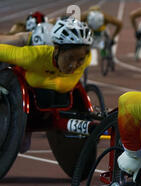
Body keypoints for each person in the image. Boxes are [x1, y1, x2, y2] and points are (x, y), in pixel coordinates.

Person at [0, 17, 93, 152]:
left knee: (23, 147)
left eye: (80, 59)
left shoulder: (86, 58)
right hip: (28, 40)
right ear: (56, 50)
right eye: (69, 59)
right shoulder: (32, 56)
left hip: (48, 41)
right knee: (22, 147)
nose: (74, 65)